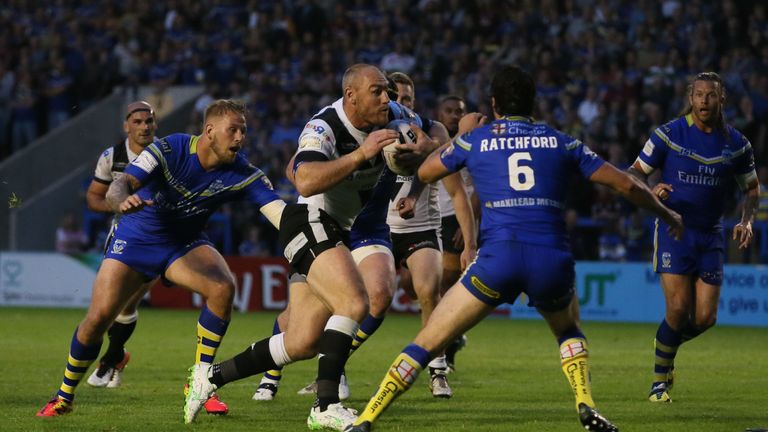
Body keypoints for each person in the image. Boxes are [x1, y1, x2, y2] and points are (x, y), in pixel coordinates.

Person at [345, 65, 684, 432]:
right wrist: (665, 213)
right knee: (568, 330)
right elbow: (626, 185)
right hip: (550, 260)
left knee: (428, 341)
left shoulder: (475, 140)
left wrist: (449, 142)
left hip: (498, 260)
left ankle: (367, 419)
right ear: (533, 103)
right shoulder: (561, 141)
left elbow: (426, 172)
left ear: (493, 105)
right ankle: (585, 403)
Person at [36, 100, 345, 424]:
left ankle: (200, 383)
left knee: (222, 287)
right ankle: (64, 396)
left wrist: (320, 240)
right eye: (233, 130)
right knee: (98, 319)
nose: (240, 137)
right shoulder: (171, 149)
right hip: (137, 238)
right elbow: (122, 183)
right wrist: (119, 200)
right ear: (209, 131)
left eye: (243, 130)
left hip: (183, 242)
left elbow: (280, 215)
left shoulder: (243, 173)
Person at [184, 65, 436, 431]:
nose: (387, 98)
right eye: (377, 92)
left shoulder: (397, 115)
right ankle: (325, 405)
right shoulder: (324, 126)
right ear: (351, 96)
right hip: (312, 221)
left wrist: (423, 149)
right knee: (353, 302)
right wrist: (361, 155)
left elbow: (433, 135)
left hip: (357, 225)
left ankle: (210, 377)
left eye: (387, 91)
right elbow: (303, 181)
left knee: (302, 341)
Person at [627, 72, 759, 403]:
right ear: (690, 98)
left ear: (721, 100)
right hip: (674, 229)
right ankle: (659, 383)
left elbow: (752, 188)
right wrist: (652, 189)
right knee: (677, 308)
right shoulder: (669, 134)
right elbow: (632, 174)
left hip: (711, 233)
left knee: (705, 318)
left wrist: (747, 220)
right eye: (698, 94)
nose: (704, 100)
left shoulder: (737, 144)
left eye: (710, 95)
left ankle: (664, 345)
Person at [385, 72, 476, 398]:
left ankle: (438, 368)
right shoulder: (367, 135)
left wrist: (471, 238)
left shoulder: (429, 137)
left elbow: (462, 191)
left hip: (426, 227)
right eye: (394, 97)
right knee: (374, 300)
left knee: (431, 291)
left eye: (407, 98)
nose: (400, 104)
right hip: (378, 230)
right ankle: (332, 371)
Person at [433, 95, 478, 372]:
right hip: (428, 218)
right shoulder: (431, 138)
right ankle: (454, 335)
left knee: (447, 282)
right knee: (408, 285)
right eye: (448, 111)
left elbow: (481, 187)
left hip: (457, 219)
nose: (452, 115)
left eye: (458, 112)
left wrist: (468, 225)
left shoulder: (474, 143)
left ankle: (446, 351)